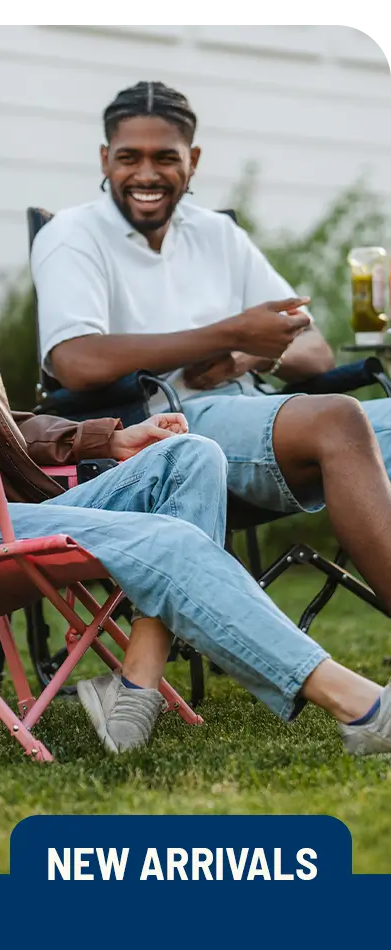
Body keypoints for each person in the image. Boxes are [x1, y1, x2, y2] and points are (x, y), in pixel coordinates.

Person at [0, 110, 390, 757]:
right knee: (167, 539)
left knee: (191, 455)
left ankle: (135, 681)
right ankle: (362, 706)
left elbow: (1, 427)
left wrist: (105, 440)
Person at [31, 80, 391, 619]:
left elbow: (311, 348)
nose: (146, 174)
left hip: (253, 407)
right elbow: (75, 361)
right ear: (105, 159)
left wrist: (247, 355)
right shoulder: (71, 235)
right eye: (128, 157)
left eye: (165, 158)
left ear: (193, 161)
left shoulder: (217, 234)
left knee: (344, 418)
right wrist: (228, 333)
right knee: (338, 419)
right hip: (164, 429)